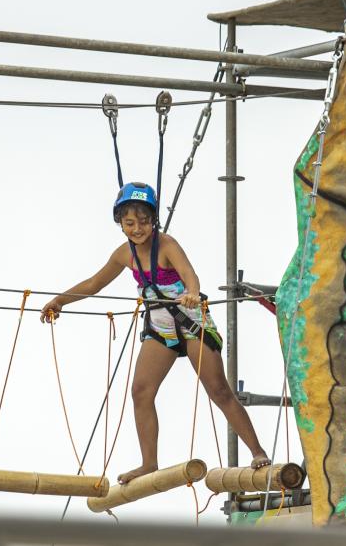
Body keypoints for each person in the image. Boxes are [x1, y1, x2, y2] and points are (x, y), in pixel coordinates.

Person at [41, 182, 269, 484]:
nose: (137, 228)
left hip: (191, 323)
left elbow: (190, 274)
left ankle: (257, 450)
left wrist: (192, 292)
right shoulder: (124, 255)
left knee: (218, 390)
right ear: (120, 223)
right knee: (141, 392)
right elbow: (94, 283)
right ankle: (149, 463)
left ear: (154, 220)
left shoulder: (168, 245)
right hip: (160, 328)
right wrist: (60, 300)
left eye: (144, 221)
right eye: (130, 222)